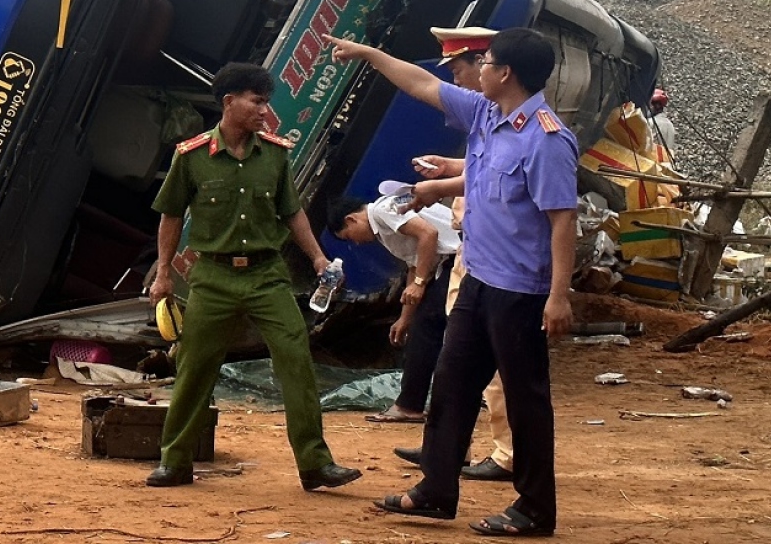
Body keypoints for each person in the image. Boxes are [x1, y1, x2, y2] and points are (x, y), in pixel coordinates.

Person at [325, 28, 577, 537]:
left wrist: (558, 295)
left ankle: (534, 508)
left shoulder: (546, 139)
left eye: (486, 62)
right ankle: (435, 490)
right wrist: (371, 55)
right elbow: (419, 84)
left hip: (520, 291)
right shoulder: (487, 114)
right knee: (453, 384)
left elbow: (562, 220)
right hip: (478, 276)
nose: (477, 69)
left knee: (525, 399)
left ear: (505, 73)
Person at [145, 62, 362, 492]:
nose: (265, 110)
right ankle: (175, 461)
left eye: (266, 101)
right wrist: (163, 274)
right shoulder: (190, 157)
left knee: (296, 357)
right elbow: (170, 216)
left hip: (267, 276)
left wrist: (318, 259)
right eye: (257, 101)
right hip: (213, 278)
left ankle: (315, 465)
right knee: (194, 367)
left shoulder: (276, 155)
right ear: (229, 102)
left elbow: (293, 212)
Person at [394, 26, 517, 484]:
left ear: (493, 66)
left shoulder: (516, 120)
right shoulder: (489, 115)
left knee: (494, 362)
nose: (461, 78)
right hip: (475, 250)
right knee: (459, 357)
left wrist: (439, 185)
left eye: (464, 67)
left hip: (500, 258)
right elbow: (484, 168)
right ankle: (450, 447)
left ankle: (507, 454)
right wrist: (450, 170)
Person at [327, 194, 459, 423]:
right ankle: (411, 404)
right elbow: (415, 265)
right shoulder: (384, 226)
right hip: (450, 262)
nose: (356, 243)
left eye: (350, 237)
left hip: (458, 258)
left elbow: (429, 234)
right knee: (423, 328)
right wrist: (405, 318)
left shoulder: (382, 210)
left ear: (351, 220)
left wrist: (419, 284)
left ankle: (410, 405)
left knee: (428, 328)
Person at [648, 88, 675, 159]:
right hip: (667, 164)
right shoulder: (670, 125)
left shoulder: (650, 122)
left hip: (652, 163)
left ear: (657, 106)